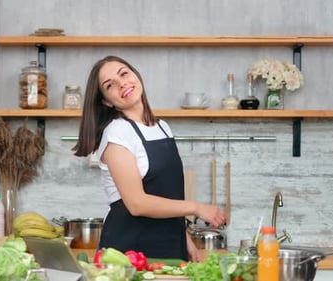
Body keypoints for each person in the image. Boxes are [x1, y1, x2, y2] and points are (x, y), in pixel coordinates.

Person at [73, 55, 226, 261]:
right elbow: (137, 203)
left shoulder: (163, 127)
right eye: (110, 85)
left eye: (124, 73)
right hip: (129, 253)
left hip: (169, 246)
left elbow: (168, 195)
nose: (122, 84)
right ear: (107, 101)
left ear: (135, 74)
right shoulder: (117, 132)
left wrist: (184, 238)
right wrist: (197, 208)